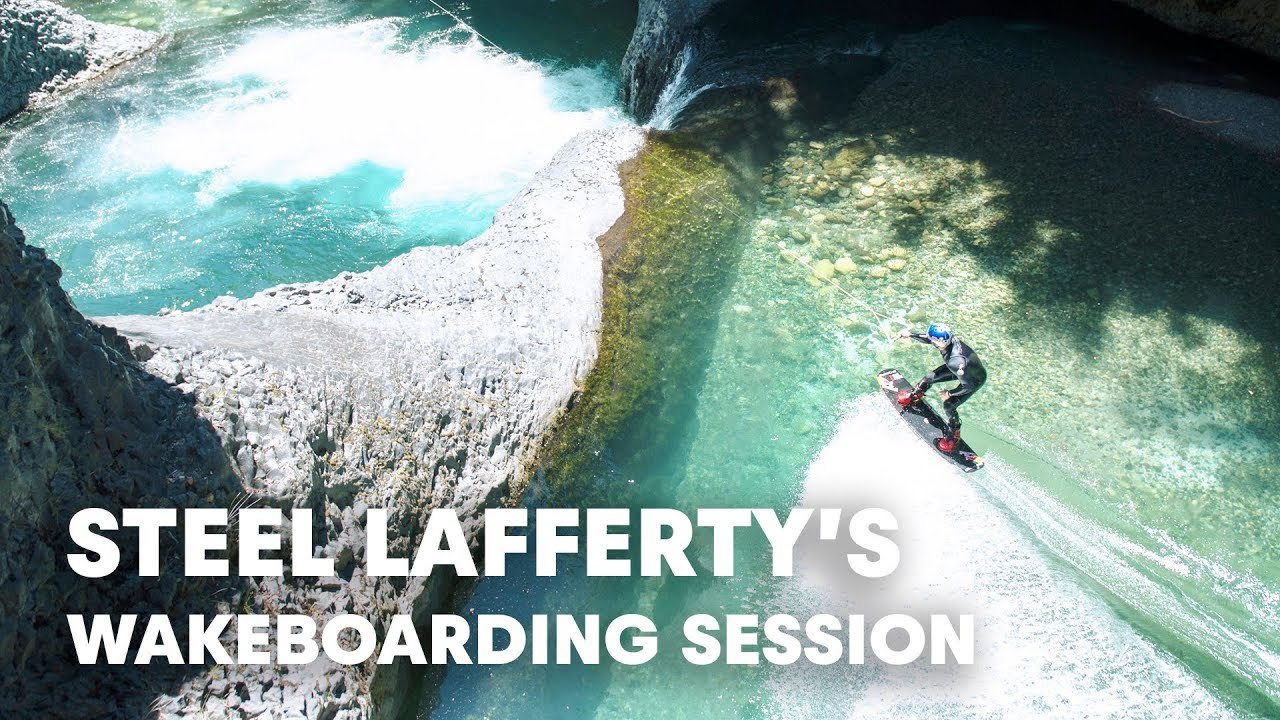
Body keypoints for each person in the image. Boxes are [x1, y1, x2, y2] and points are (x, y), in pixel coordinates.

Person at [896, 322, 986, 452]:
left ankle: (954, 433)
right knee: (929, 377)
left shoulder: (955, 361)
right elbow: (929, 339)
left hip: (974, 380)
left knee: (949, 405)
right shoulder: (947, 341)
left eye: (933, 341)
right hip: (963, 369)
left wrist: (949, 393)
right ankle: (915, 395)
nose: (932, 342)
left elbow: (968, 386)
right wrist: (910, 335)